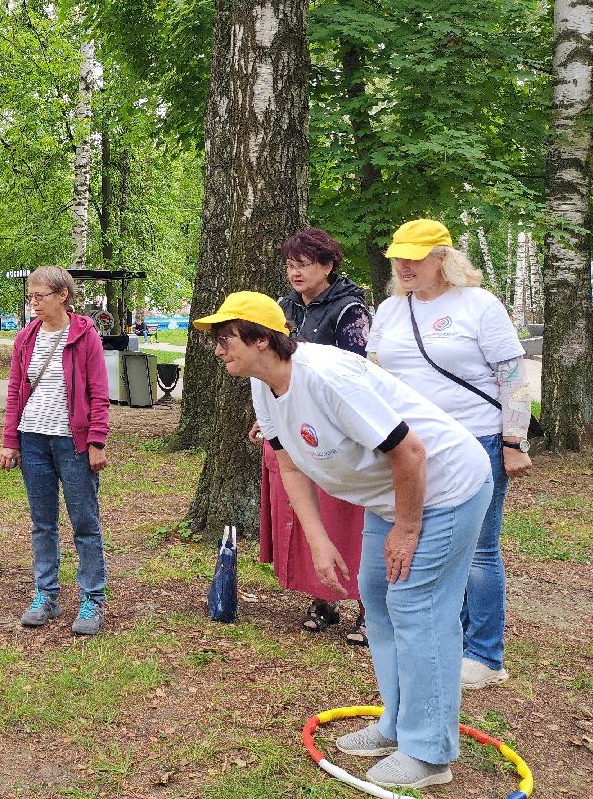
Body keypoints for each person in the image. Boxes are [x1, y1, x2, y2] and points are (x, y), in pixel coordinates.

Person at [197, 291, 491, 790]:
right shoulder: (263, 386)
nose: (218, 350)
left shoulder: (327, 377)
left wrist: (408, 528)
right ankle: (396, 723)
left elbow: (411, 452)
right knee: (377, 599)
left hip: (445, 488)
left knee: (417, 607)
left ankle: (429, 752)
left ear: (262, 339)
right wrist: (318, 540)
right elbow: (289, 463)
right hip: (388, 496)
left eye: (226, 338)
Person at [366, 218, 532, 690]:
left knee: (478, 548)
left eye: (415, 257)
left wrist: (514, 441)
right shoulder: (390, 310)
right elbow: (373, 374)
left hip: (476, 439)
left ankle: (485, 654)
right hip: (411, 447)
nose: (404, 266)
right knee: (430, 542)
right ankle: (447, 640)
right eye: (399, 258)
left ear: (443, 259)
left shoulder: (479, 305)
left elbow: (513, 377)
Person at [261, 228, 371, 646]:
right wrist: (268, 416)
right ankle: (324, 597)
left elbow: (354, 375)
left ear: (327, 266)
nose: (295, 273)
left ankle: (367, 606)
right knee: (313, 512)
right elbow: (272, 368)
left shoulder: (350, 309)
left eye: (304, 265)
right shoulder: (284, 306)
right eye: (290, 265)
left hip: (337, 429)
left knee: (348, 517)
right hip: (295, 425)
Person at [0, 266, 110, 636]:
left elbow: (98, 392)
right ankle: (46, 595)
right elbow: (15, 391)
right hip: (33, 441)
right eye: (30, 296)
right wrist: (10, 440)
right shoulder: (25, 338)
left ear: (63, 295)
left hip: (72, 443)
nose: (34, 303)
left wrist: (96, 441)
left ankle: (92, 598)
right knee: (42, 523)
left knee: (84, 523)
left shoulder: (84, 335)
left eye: (40, 296)